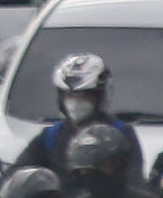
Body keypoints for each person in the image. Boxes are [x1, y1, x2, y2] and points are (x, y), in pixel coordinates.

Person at [13, 52, 144, 177]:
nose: (75, 103)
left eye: (85, 96)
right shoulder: (50, 137)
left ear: (100, 97)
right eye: (69, 96)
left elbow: (135, 183)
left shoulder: (121, 134)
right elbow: (18, 176)